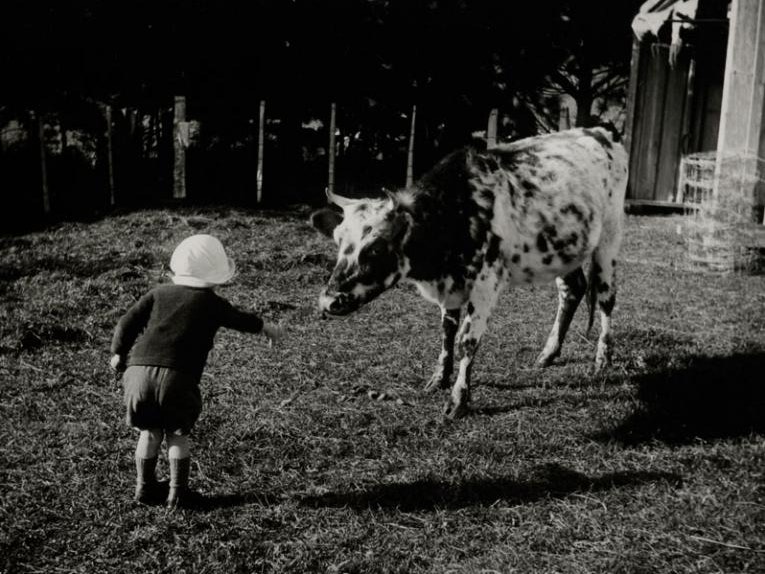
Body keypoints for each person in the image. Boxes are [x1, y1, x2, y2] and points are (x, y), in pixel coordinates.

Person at [109, 234, 282, 509]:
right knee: (176, 434)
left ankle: (144, 488)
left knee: (149, 432)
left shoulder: (157, 293)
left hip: (137, 372)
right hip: (178, 377)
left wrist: (118, 352)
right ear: (215, 276)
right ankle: (177, 494)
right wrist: (264, 327)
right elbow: (240, 319)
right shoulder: (211, 303)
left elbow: (127, 322)